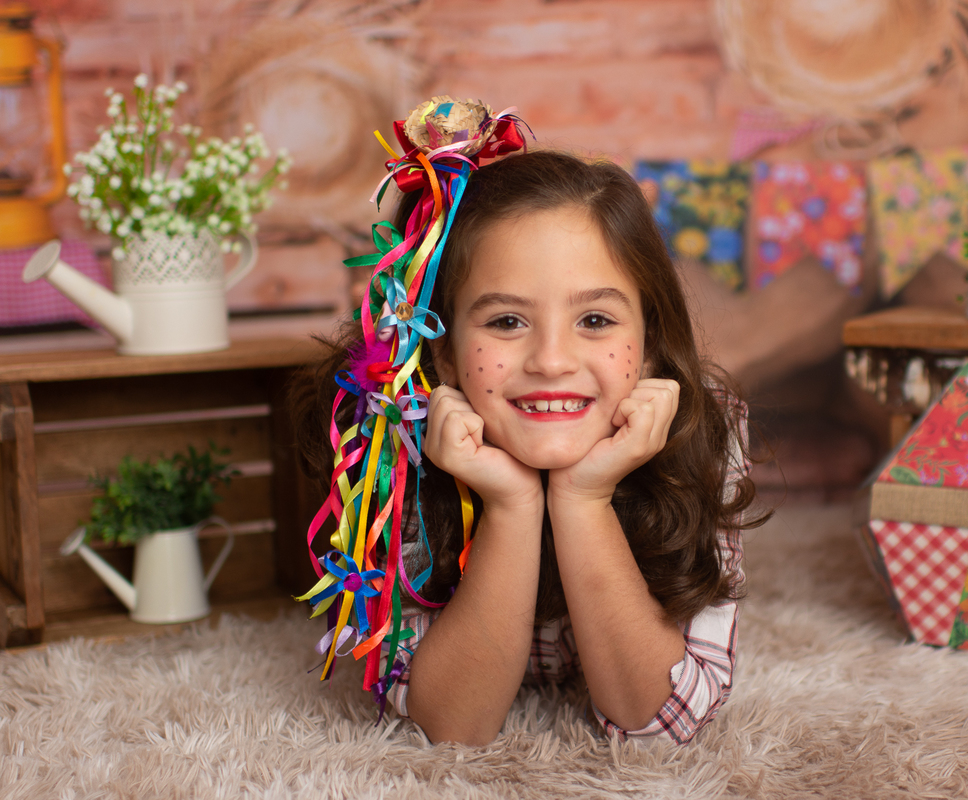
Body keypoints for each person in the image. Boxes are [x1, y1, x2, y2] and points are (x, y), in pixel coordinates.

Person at [295, 110, 766, 746]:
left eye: (595, 321)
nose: (550, 361)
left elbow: (658, 721)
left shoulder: (703, 427)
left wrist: (583, 496)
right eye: (506, 322)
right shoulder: (389, 440)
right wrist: (512, 503)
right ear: (442, 351)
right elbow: (450, 729)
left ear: (650, 345)